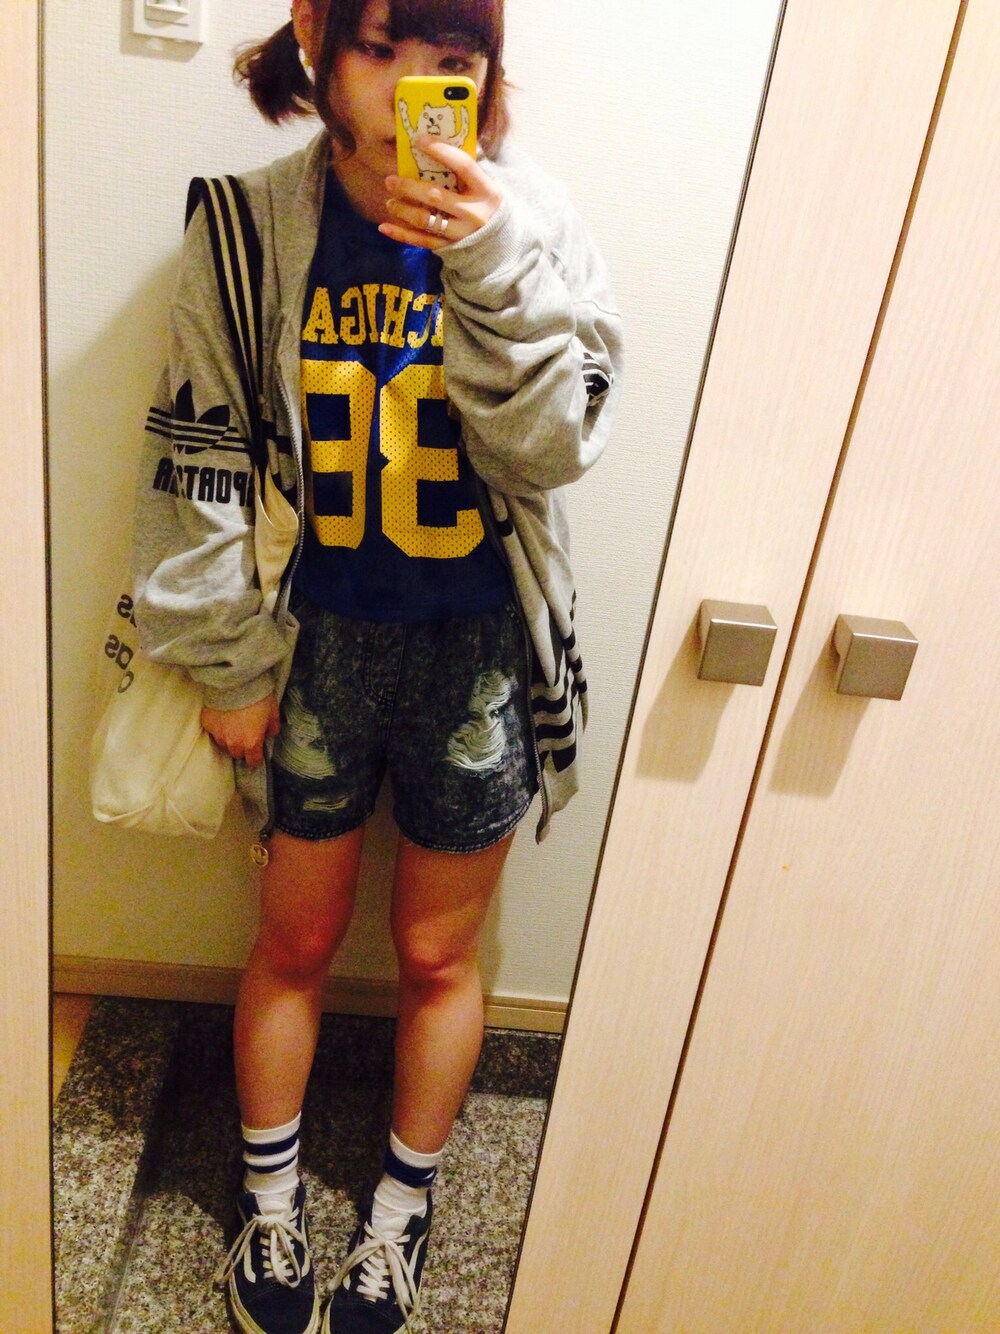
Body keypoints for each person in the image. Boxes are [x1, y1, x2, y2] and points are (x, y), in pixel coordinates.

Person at [131, 0, 622, 1330]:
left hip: (478, 650)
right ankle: (271, 1201)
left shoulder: (536, 222)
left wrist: (491, 261)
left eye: (451, 60)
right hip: (316, 647)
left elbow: (556, 449)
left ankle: (400, 1214)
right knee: (293, 938)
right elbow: (198, 453)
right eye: (382, 48)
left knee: (435, 954)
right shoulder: (247, 227)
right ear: (316, 34)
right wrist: (228, 665)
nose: (415, 89)